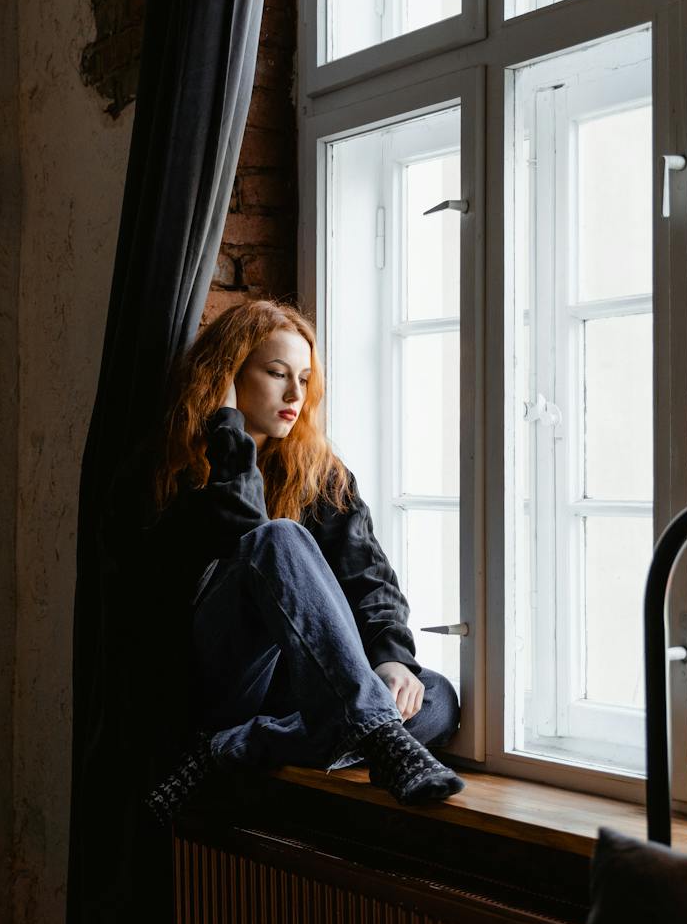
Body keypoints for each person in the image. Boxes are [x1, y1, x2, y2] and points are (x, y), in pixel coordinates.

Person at [142, 299, 464, 824]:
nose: (295, 394)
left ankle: (233, 748)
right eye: (276, 374)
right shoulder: (177, 470)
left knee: (434, 697)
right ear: (227, 378)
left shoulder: (317, 471)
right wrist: (229, 436)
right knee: (277, 538)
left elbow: (369, 578)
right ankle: (367, 731)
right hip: (221, 681)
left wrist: (390, 657)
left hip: (298, 693)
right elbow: (247, 534)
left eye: (305, 378)